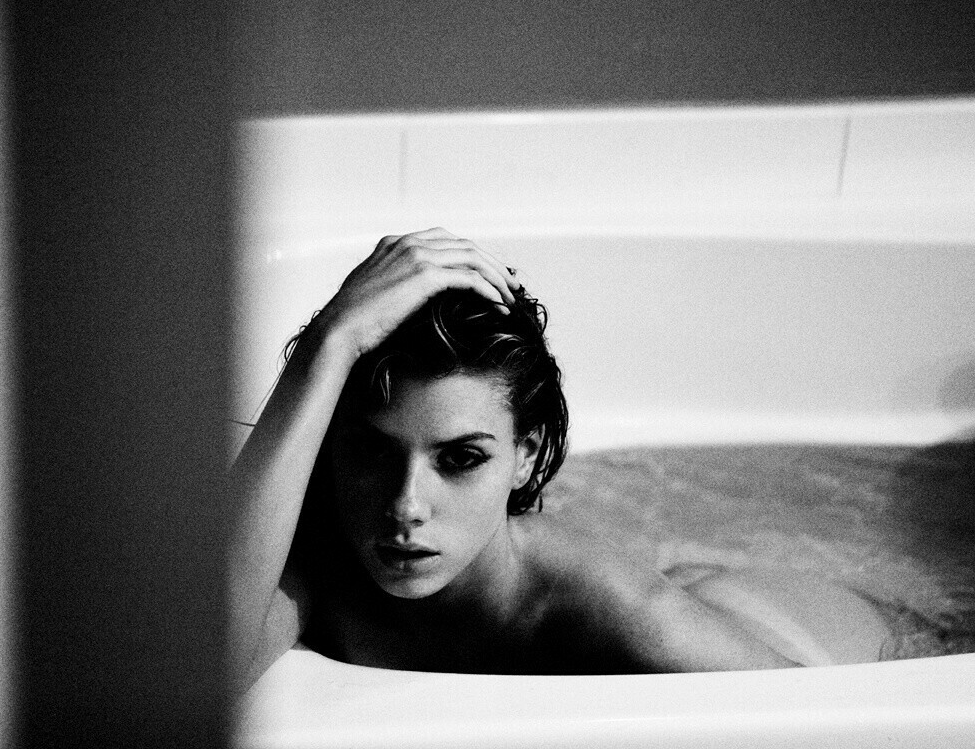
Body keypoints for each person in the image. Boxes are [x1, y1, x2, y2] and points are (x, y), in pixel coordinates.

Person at [228, 229, 887, 691]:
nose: (406, 506)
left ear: (527, 456)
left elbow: (828, 720)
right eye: (373, 450)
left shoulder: (615, 612)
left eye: (460, 459)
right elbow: (199, 670)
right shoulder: (315, 562)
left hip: (817, 631)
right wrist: (330, 340)